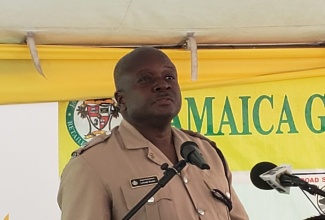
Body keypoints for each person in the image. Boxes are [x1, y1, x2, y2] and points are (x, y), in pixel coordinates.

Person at [57, 47, 249, 220]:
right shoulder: (92, 166)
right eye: (146, 79)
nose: (163, 85)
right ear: (121, 100)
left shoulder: (205, 152)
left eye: (169, 77)